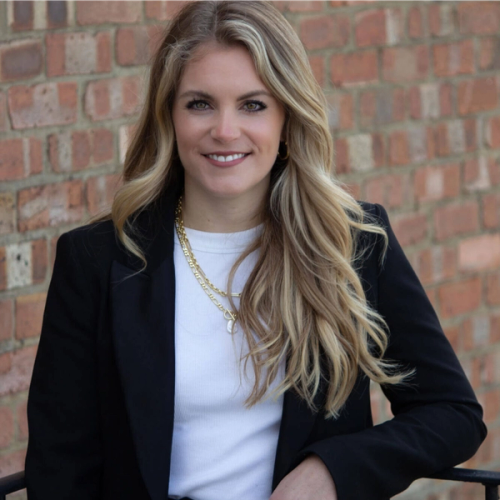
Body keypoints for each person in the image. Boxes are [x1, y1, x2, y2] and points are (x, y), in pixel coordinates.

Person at [25, 0, 486, 499]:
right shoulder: (98, 260)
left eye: (253, 104)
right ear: (169, 116)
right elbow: (60, 469)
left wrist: (331, 470)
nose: (225, 130)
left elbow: (453, 414)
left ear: (287, 117)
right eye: (199, 103)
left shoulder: (350, 244)